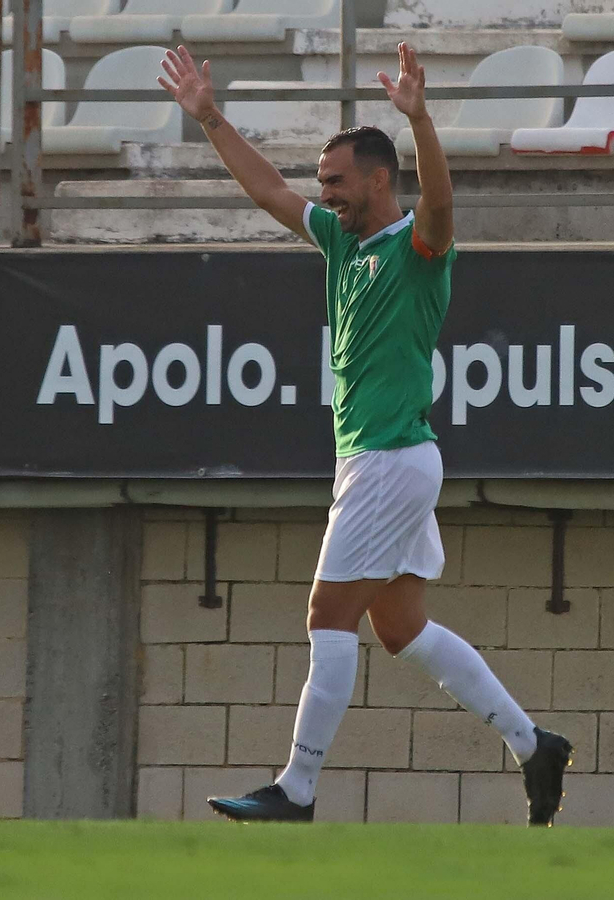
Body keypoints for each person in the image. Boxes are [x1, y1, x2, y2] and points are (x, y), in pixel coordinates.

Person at [158, 43, 572, 824]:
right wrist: (209, 116)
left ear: (380, 179)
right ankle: (532, 743)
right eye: (325, 184)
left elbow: (444, 207)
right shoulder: (342, 242)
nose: (327, 195)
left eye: (338, 182)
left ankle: (298, 788)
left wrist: (419, 121)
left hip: (388, 460)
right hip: (384, 460)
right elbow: (271, 190)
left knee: (326, 614)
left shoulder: (418, 247)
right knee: (403, 630)